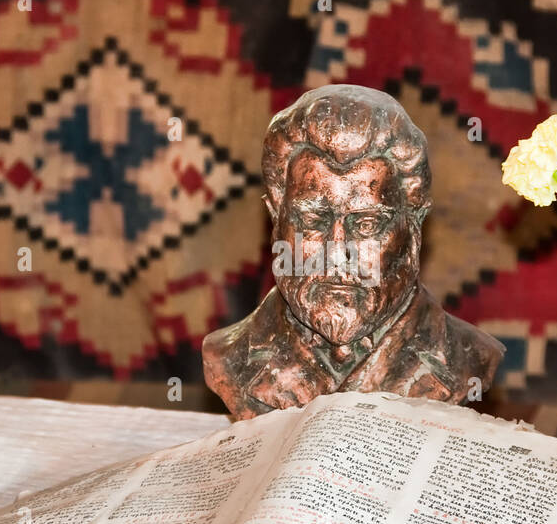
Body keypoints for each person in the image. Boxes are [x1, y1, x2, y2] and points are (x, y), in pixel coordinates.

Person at [203, 84, 504, 419]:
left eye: (366, 226)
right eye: (313, 219)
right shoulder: (228, 356)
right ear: (277, 217)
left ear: (413, 230)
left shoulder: (469, 357)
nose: (336, 252)